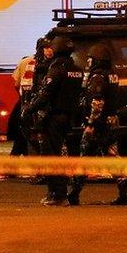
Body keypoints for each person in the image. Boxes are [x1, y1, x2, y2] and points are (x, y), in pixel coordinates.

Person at [69, 43, 127, 206]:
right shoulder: (112, 75)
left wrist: (90, 123)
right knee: (112, 156)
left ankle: (73, 193)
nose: (89, 63)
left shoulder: (98, 77)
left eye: (91, 59)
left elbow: (97, 101)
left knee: (85, 157)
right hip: (111, 122)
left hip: (98, 124)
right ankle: (125, 192)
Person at [26, 35, 83, 205]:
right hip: (70, 118)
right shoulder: (77, 70)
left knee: (52, 155)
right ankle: (68, 193)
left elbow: (45, 93)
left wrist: (29, 109)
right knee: (68, 156)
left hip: (54, 117)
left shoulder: (56, 69)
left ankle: (58, 194)